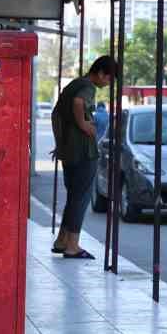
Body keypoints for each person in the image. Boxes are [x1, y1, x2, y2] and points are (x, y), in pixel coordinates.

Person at [51, 56, 116, 260]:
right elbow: (79, 103)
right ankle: (73, 245)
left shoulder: (73, 85)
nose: (108, 83)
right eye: (109, 79)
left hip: (69, 151)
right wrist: (83, 125)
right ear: (101, 73)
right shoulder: (87, 87)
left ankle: (62, 240)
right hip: (84, 152)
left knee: (73, 197)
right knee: (81, 198)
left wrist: (60, 143)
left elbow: (55, 115)